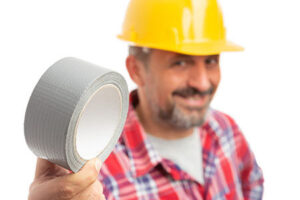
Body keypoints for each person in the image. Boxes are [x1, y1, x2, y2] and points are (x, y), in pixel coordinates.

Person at [28, 0, 264, 199]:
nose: (202, 83)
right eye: (180, 62)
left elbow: (253, 188)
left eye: (211, 61)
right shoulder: (93, 176)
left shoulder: (227, 131)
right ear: (137, 70)